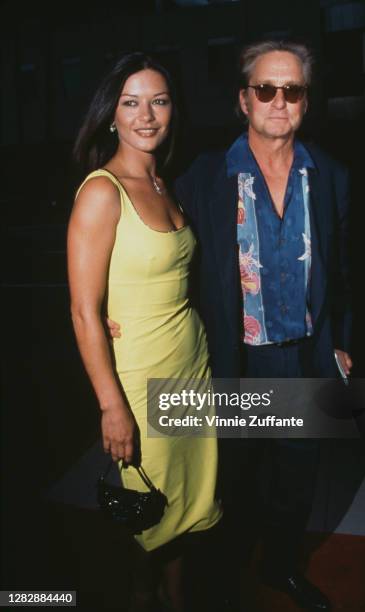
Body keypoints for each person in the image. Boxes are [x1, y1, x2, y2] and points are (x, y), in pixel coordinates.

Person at [174, 40, 353, 611]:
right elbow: (176, 258)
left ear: (305, 100)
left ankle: (280, 568)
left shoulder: (329, 176)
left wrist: (342, 340)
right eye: (266, 89)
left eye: (292, 89)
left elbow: (344, 267)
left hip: (304, 356)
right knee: (235, 481)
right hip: (237, 361)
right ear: (243, 100)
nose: (279, 101)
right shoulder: (203, 178)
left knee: (297, 482)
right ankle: (222, 580)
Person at [67, 52, 221, 612]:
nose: (146, 115)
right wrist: (112, 406)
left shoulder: (163, 179)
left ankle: (176, 598)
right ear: (112, 114)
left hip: (191, 368)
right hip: (140, 380)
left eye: (159, 100)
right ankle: (140, 596)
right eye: (131, 102)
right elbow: (85, 311)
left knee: (179, 504)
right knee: (146, 512)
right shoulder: (102, 191)